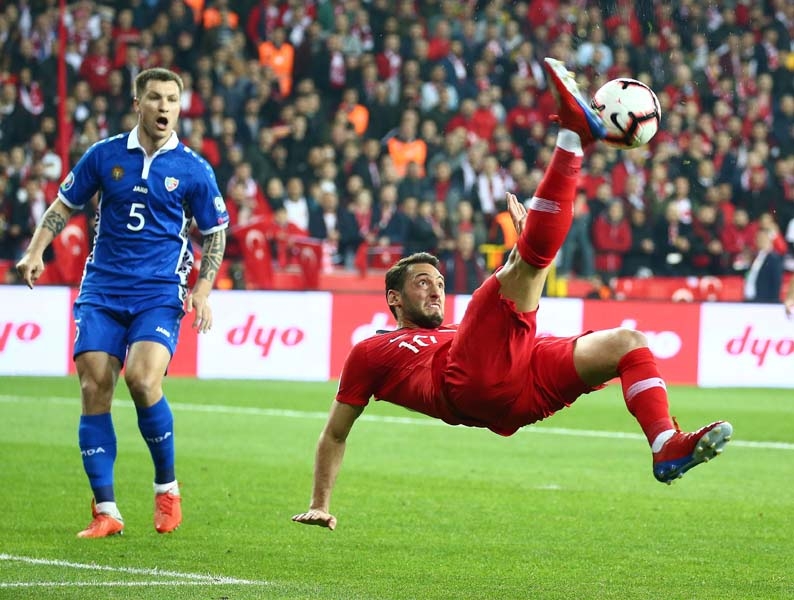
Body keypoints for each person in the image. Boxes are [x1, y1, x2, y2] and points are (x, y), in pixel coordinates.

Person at [293, 59, 733, 531]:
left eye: (439, 281)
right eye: (421, 281)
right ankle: (573, 136)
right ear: (394, 299)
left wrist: (523, 257)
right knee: (525, 265)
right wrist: (321, 500)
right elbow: (334, 433)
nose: (435, 287)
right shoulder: (372, 350)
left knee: (627, 343)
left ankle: (665, 446)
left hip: (517, 392)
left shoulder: (457, 328)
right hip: (463, 383)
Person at [15, 68, 229, 538]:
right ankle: (106, 511)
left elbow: (215, 234)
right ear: (139, 103)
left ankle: (166, 488)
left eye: (173, 99)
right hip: (103, 288)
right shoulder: (105, 154)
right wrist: (35, 250)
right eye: (156, 98)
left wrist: (203, 289)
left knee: (142, 379)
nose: (165, 107)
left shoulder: (193, 168)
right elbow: (63, 205)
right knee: (95, 386)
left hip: (158, 291)